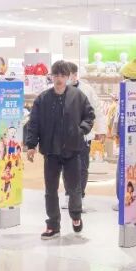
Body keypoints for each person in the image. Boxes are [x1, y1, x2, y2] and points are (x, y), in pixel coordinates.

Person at [24, 60, 95, 239]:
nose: (59, 79)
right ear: (51, 76)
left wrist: (81, 130)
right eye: (56, 75)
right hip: (51, 151)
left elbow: (89, 115)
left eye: (63, 75)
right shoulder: (42, 99)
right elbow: (34, 123)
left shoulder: (77, 96)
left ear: (68, 77)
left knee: (74, 188)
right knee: (50, 190)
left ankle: (76, 215)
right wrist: (31, 145)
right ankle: (53, 224)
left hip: (73, 149)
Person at [67, 62, 106, 198]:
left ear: (75, 75)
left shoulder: (87, 90)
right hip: (65, 136)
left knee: (83, 166)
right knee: (67, 167)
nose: (68, 77)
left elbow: (97, 110)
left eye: (70, 75)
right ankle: (68, 194)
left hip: (84, 135)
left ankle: (80, 195)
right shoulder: (60, 89)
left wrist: (101, 130)